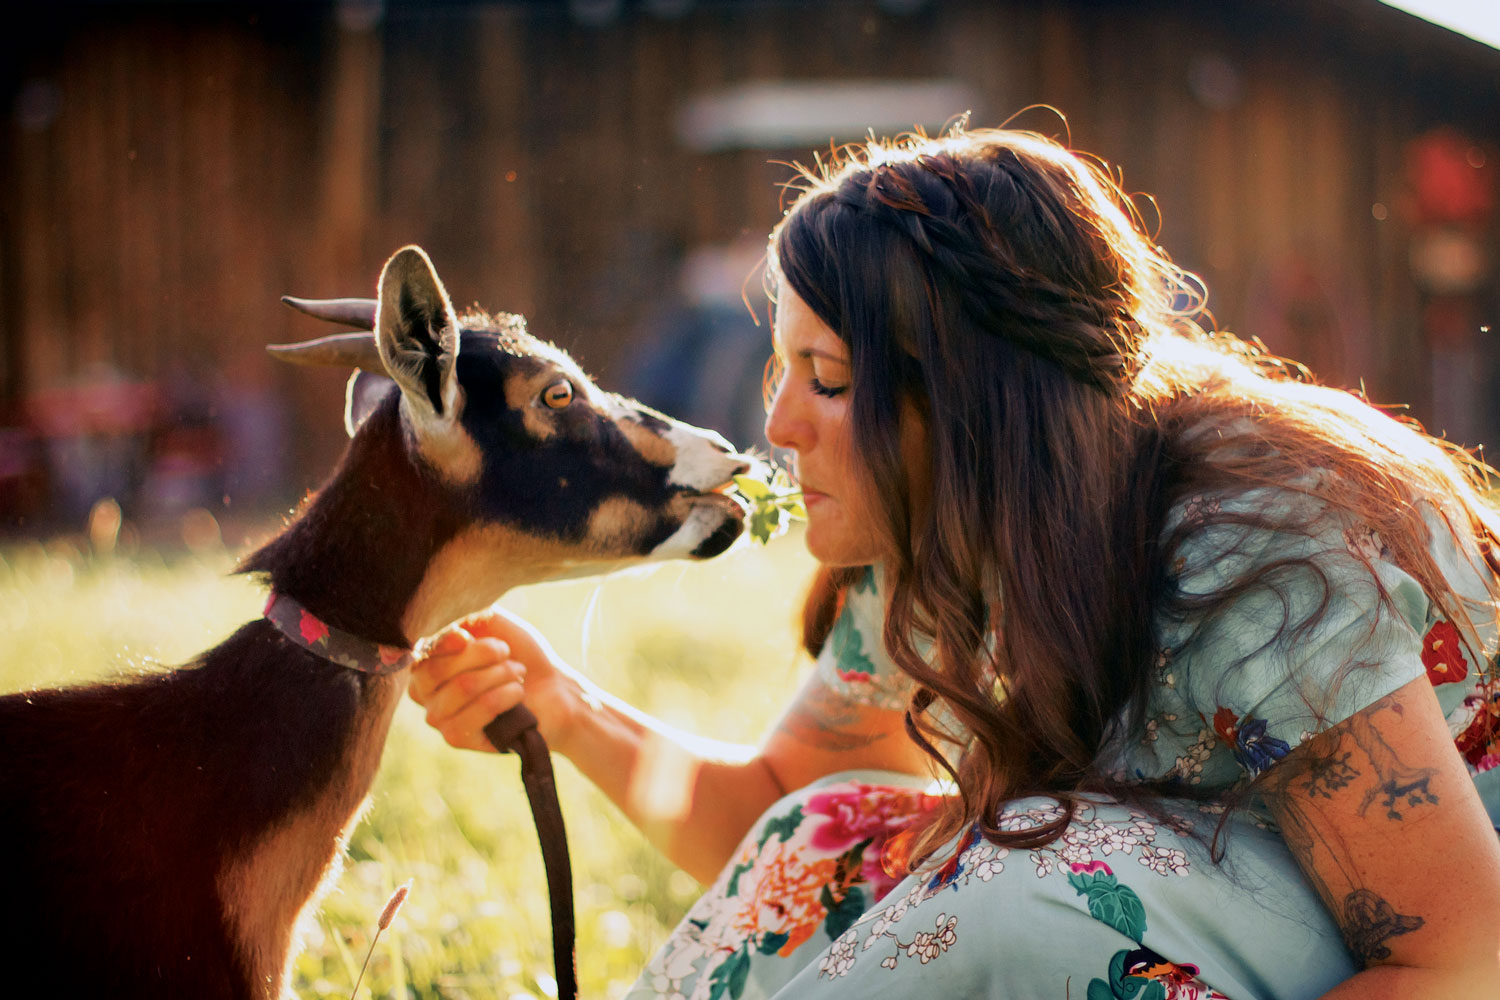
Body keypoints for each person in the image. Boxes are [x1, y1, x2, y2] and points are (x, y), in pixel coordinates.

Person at [408, 127, 1500, 998]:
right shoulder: (931, 531)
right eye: (781, 368)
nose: (777, 423)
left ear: (973, 405)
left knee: (1024, 893)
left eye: (827, 378)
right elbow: (789, 809)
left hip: (1439, 940)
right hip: (1231, 908)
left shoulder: (1247, 556)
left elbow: (1461, 963)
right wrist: (568, 708)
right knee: (831, 835)